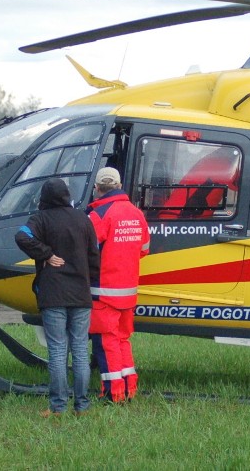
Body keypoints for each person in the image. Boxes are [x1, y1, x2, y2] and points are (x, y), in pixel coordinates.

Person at [15, 178, 100, 417]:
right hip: (81, 295)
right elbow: (94, 255)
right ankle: (82, 406)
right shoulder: (83, 218)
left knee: (58, 350)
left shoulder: (40, 219)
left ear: (44, 197)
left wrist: (47, 254)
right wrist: (86, 277)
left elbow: (21, 237)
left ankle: (58, 407)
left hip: (53, 293)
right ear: (66, 195)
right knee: (81, 351)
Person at [86, 167, 150, 403]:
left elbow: (85, 249)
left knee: (106, 343)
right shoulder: (136, 213)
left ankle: (114, 395)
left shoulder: (98, 215)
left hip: (103, 293)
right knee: (122, 339)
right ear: (119, 185)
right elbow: (144, 249)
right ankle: (129, 388)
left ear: (97, 188)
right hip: (128, 291)